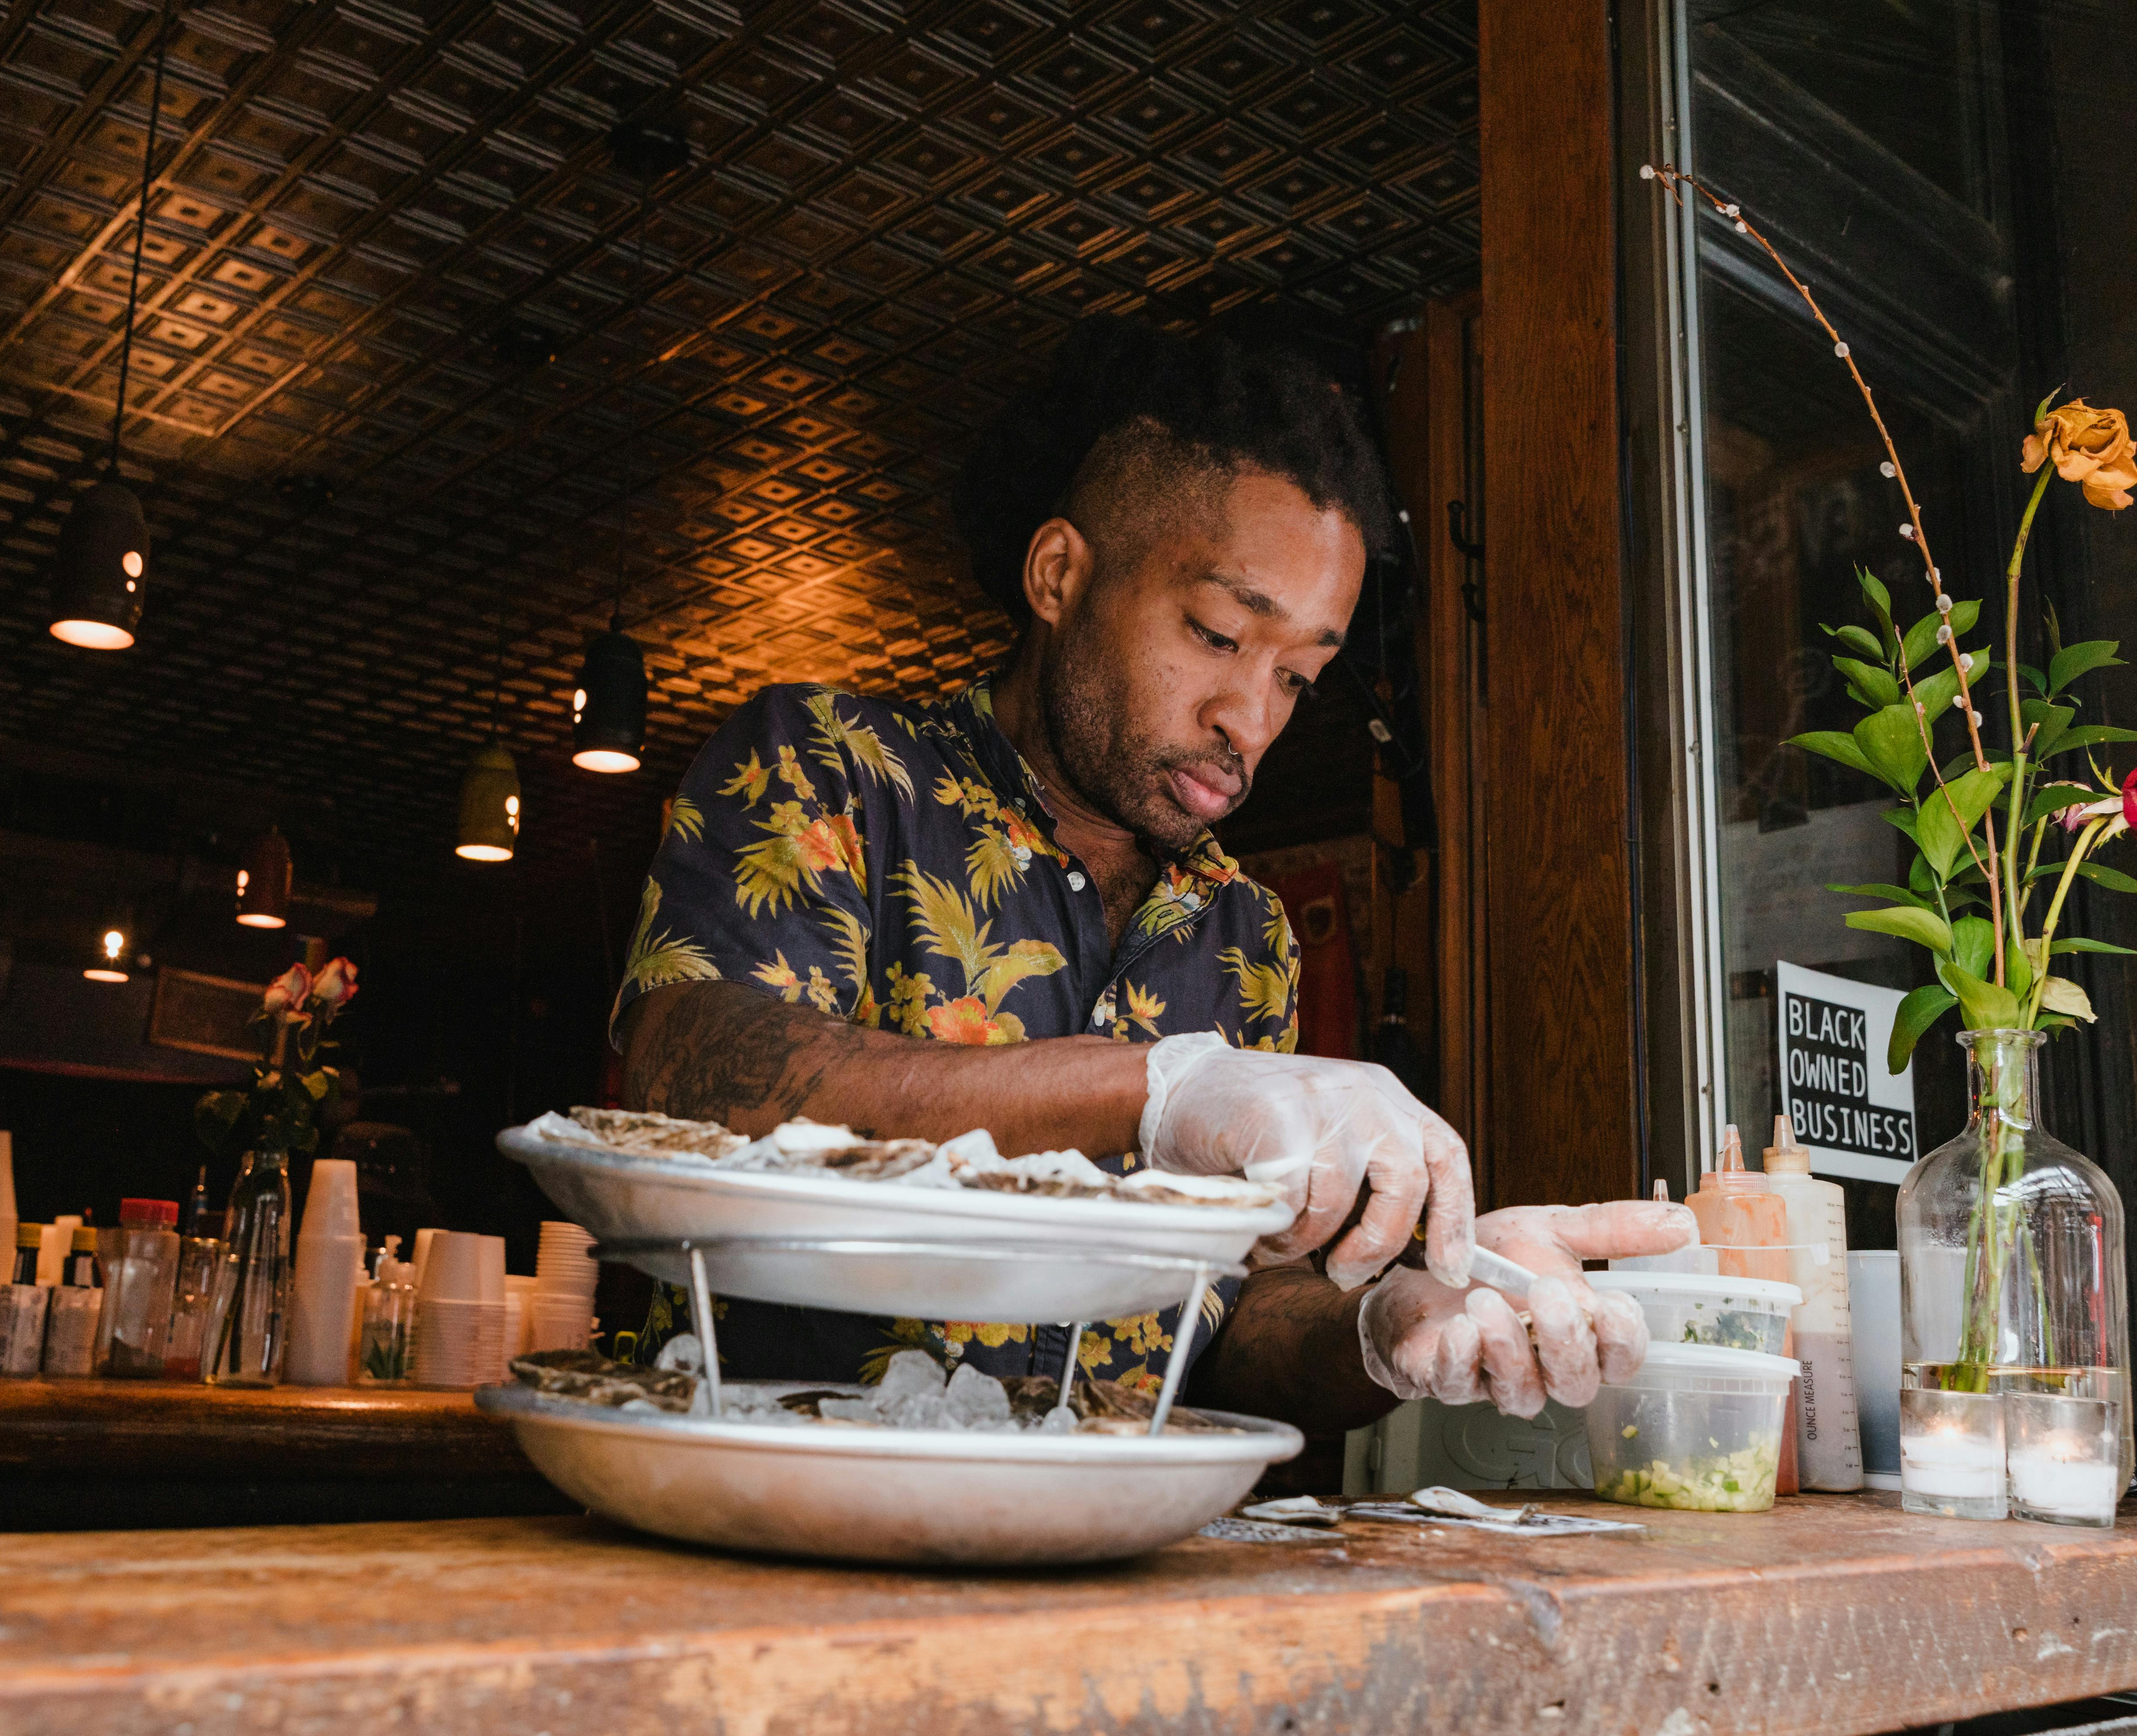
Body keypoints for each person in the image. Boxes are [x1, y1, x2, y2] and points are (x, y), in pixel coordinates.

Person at [611, 316, 1692, 1446]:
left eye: (1298, 676)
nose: (1250, 719)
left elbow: (1229, 1321)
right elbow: (689, 1079)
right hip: (778, 1511)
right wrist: (1158, 1085)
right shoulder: (830, 767)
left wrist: (1388, 1324)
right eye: (1218, 633)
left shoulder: (1245, 933)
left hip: (1108, 1541)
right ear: (1060, 574)